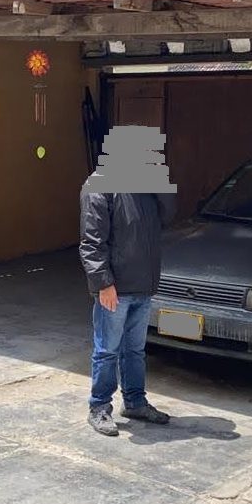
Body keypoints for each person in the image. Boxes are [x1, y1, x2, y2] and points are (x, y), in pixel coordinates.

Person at [79, 126, 176, 436]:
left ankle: (135, 402)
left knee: (134, 351)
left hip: (143, 286)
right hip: (115, 289)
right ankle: (99, 407)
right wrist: (103, 283)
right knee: (107, 350)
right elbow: (91, 243)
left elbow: (169, 215)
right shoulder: (100, 185)